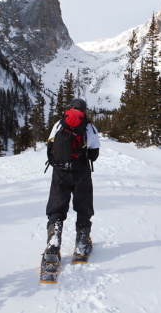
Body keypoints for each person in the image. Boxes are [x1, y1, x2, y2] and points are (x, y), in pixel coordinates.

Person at [44, 98, 100, 257]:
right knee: (84, 205)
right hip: (81, 171)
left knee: (57, 205)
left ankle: (53, 241)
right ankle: (82, 241)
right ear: (84, 110)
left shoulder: (59, 124)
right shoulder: (89, 127)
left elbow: (50, 147)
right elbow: (94, 155)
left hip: (60, 172)